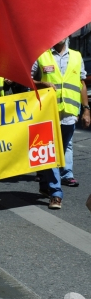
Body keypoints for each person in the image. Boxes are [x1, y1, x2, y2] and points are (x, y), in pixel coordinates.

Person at [32, 38, 90, 209]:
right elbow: (27, 79)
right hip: (47, 112)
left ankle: (45, 179)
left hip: (69, 114)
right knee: (52, 151)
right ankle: (56, 193)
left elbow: (81, 84)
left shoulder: (77, 56)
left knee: (61, 151)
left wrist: (86, 109)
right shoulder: (41, 56)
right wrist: (42, 83)